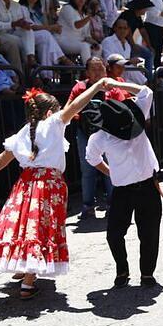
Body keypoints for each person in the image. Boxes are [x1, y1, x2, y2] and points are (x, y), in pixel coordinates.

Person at [0, 81, 108, 299]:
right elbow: (77, 105)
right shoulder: (54, 123)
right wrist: (97, 86)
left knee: (23, 225)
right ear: (51, 111)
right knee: (41, 228)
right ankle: (28, 282)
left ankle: (23, 266)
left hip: (25, 183)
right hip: (49, 184)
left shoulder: (22, 134)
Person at [85, 81, 161, 288]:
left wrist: (113, 83)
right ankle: (122, 269)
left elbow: (147, 91)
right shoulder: (99, 138)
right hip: (122, 190)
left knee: (149, 232)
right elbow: (92, 158)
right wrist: (111, 173)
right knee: (114, 234)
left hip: (148, 185)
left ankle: (147, 273)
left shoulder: (136, 114)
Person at [66, 57, 129, 219]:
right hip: (85, 133)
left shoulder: (113, 87)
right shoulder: (79, 87)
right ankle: (87, 206)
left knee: (110, 167)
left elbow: (123, 108)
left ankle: (113, 204)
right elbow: (69, 109)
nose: (97, 73)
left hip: (109, 134)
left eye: (100, 69)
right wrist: (83, 117)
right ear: (87, 72)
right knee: (87, 170)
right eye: (93, 69)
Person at [17, 0, 70, 76]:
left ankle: (46, 76)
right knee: (45, 35)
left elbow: (42, 27)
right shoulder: (21, 8)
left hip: (36, 37)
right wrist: (51, 28)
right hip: (23, 36)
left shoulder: (37, 11)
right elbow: (30, 26)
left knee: (45, 43)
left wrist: (52, 28)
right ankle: (62, 58)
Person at [56, 0, 98, 64]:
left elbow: (86, 36)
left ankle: (96, 70)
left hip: (78, 42)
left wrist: (95, 43)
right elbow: (76, 25)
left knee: (98, 48)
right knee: (84, 46)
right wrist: (89, 17)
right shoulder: (67, 8)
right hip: (63, 41)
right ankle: (89, 72)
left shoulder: (85, 14)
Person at [117, 0, 155, 79]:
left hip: (128, 43)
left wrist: (149, 46)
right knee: (143, 55)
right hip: (120, 42)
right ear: (140, 8)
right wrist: (133, 45)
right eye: (145, 8)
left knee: (148, 54)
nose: (146, 10)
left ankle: (149, 79)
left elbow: (143, 31)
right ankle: (146, 79)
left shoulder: (137, 17)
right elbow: (128, 31)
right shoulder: (128, 15)